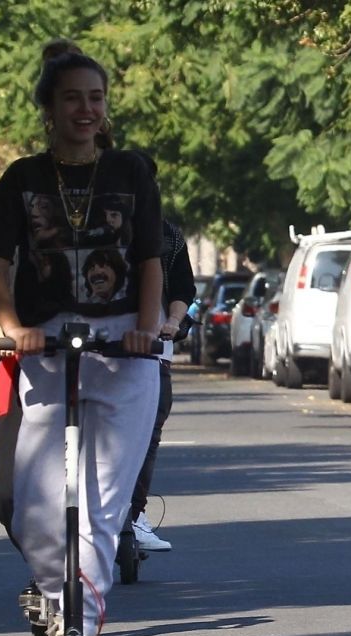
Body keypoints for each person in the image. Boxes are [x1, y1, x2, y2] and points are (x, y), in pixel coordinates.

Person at [0, 43, 163, 636]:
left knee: (101, 507)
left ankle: (78, 631)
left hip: (122, 347)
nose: (86, 109)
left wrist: (148, 325)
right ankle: (62, 609)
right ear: (48, 109)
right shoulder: (21, 179)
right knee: (33, 504)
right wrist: (9, 325)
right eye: (73, 98)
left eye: (96, 98)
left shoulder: (132, 171)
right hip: (47, 344)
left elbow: (148, 260)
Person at [125, 151, 197, 553]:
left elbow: (184, 290)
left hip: (152, 354)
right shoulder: (94, 230)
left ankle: (133, 514)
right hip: (98, 353)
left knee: (147, 434)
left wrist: (172, 320)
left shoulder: (168, 236)